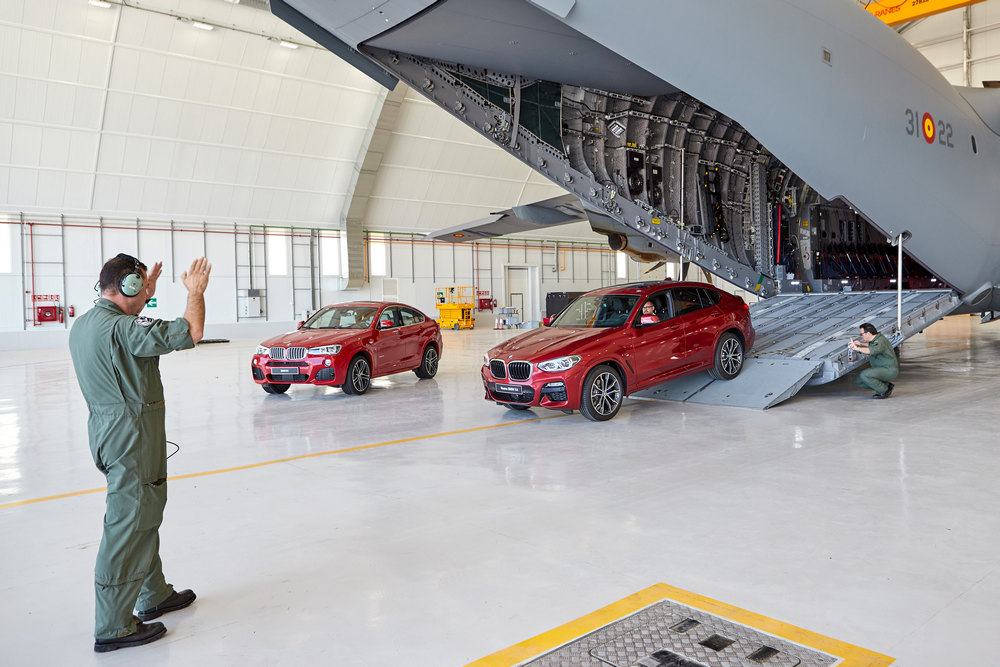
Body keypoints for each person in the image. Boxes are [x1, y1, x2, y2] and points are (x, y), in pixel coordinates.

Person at [69, 254, 211, 652]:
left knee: (141, 513)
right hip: (132, 438)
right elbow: (193, 330)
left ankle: (154, 594)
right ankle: (113, 625)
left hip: (109, 434)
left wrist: (145, 292)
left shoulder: (84, 325)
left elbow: (134, 331)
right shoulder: (124, 329)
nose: (146, 293)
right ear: (127, 286)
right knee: (128, 523)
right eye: (142, 286)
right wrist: (195, 293)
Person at [848, 322, 898, 399]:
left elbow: (871, 350)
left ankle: (884, 391)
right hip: (881, 369)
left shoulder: (880, 341)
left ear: (868, 333)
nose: (861, 336)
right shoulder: (876, 339)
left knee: (865, 375)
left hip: (888, 370)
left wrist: (857, 348)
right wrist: (860, 343)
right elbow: (871, 345)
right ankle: (886, 385)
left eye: (862, 334)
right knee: (858, 381)